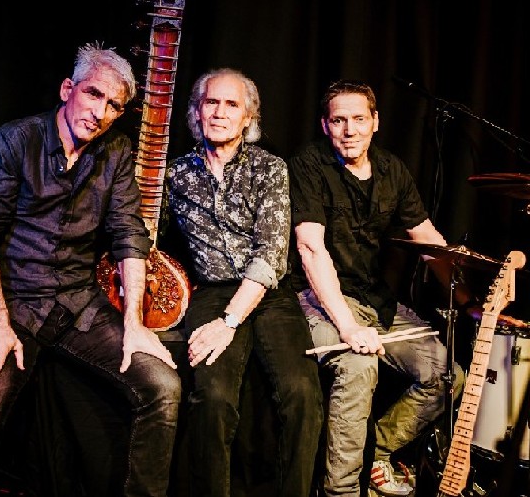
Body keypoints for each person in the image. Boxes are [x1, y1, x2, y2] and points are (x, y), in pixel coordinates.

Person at [0, 42, 181, 497]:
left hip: (77, 303)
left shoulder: (116, 151)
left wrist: (134, 324)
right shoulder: (16, 141)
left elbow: (129, 234)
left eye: (113, 105)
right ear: (68, 89)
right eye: (93, 94)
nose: (100, 112)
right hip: (15, 304)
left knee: (162, 386)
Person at [287, 79, 466, 497]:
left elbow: (428, 240)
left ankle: (376, 452)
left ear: (375, 122)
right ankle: (341, 491)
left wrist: (470, 302)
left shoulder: (391, 170)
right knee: (359, 366)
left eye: (359, 119)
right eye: (339, 121)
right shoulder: (309, 164)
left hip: (373, 299)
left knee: (446, 375)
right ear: (325, 125)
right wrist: (348, 327)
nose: (349, 130)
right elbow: (311, 249)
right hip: (316, 297)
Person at [165, 67, 324, 497]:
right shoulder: (175, 175)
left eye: (231, 104)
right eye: (211, 102)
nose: (220, 112)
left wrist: (229, 322)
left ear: (248, 117)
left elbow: (271, 253)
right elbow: (146, 236)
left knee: (302, 394)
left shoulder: (270, 168)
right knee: (213, 398)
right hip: (213, 290)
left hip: (269, 293)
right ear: (197, 112)